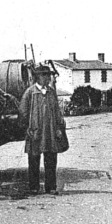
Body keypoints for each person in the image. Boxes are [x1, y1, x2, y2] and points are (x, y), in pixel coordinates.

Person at [19, 64, 69, 195]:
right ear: (37, 77)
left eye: (49, 75)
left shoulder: (51, 92)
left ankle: (51, 187)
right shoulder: (30, 92)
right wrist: (27, 129)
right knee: (34, 159)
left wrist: (59, 127)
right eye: (45, 75)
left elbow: (57, 111)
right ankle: (34, 187)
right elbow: (23, 112)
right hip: (35, 131)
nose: (48, 78)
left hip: (51, 132)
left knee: (51, 159)